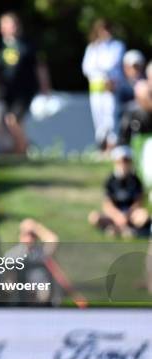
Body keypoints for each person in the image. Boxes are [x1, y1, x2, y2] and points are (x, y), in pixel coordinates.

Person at [0, 12, 50, 154]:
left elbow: (40, 66)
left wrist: (45, 87)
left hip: (24, 90)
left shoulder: (27, 44)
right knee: (11, 121)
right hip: (7, 91)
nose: (12, 27)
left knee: (13, 119)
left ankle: (24, 149)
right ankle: (19, 149)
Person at [82, 19, 125, 150]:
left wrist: (100, 69)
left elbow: (112, 64)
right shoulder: (92, 47)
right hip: (96, 87)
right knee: (98, 117)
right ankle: (102, 145)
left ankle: (112, 145)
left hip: (110, 86)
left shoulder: (117, 46)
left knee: (110, 116)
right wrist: (100, 69)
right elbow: (87, 67)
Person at [88, 146, 149, 238]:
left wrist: (127, 215)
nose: (123, 164)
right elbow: (107, 204)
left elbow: (139, 201)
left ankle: (120, 229)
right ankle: (120, 229)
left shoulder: (135, 180)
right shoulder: (110, 180)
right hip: (114, 215)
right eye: (121, 161)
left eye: (126, 161)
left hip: (131, 214)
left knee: (143, 216)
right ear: (116, 162)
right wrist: (117, 216)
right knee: (93, 217)